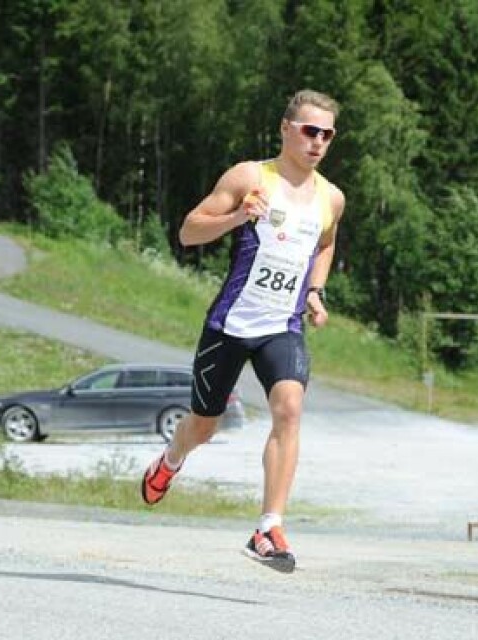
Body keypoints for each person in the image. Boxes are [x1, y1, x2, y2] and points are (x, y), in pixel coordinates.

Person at [140, 89, 345, 574]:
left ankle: (268, 527)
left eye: (327, 134)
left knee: (289, 409)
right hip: (231, 324)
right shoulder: (251, 176)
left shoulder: (330, 197)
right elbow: (189, 231)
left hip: (283, 325)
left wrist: (315, 292)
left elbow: (325, 243)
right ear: (285, 128)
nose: (317, 141)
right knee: (203, 426)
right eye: (309, 130)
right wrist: (236, 217)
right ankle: (170, 461)